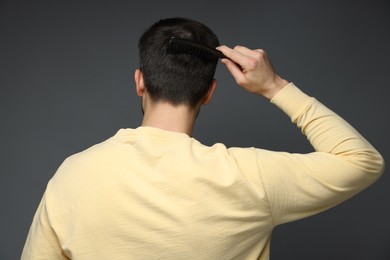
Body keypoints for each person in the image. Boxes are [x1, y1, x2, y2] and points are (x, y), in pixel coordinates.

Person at [21, 17, 384, 260]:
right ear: (210, 92)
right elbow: (362, 161)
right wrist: (274, 86)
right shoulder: (248, 177)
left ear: (140, 81)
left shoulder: (73, 175)